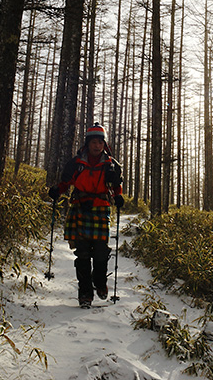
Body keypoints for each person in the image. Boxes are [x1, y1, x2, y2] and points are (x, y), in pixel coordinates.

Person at [49, 122, 124, 307]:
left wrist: (119, 196)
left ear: (104, 144)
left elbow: (116, 186)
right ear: (88, 143)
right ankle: (85, 294)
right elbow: (66, 182)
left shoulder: (111, 165)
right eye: (93, 142)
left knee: (100, 253)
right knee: (82, 254)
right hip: (79, 208)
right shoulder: (76, 163)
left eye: (100, 142)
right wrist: (57, 190)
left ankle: (100, 283)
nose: (97, 146)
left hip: (100, 208)